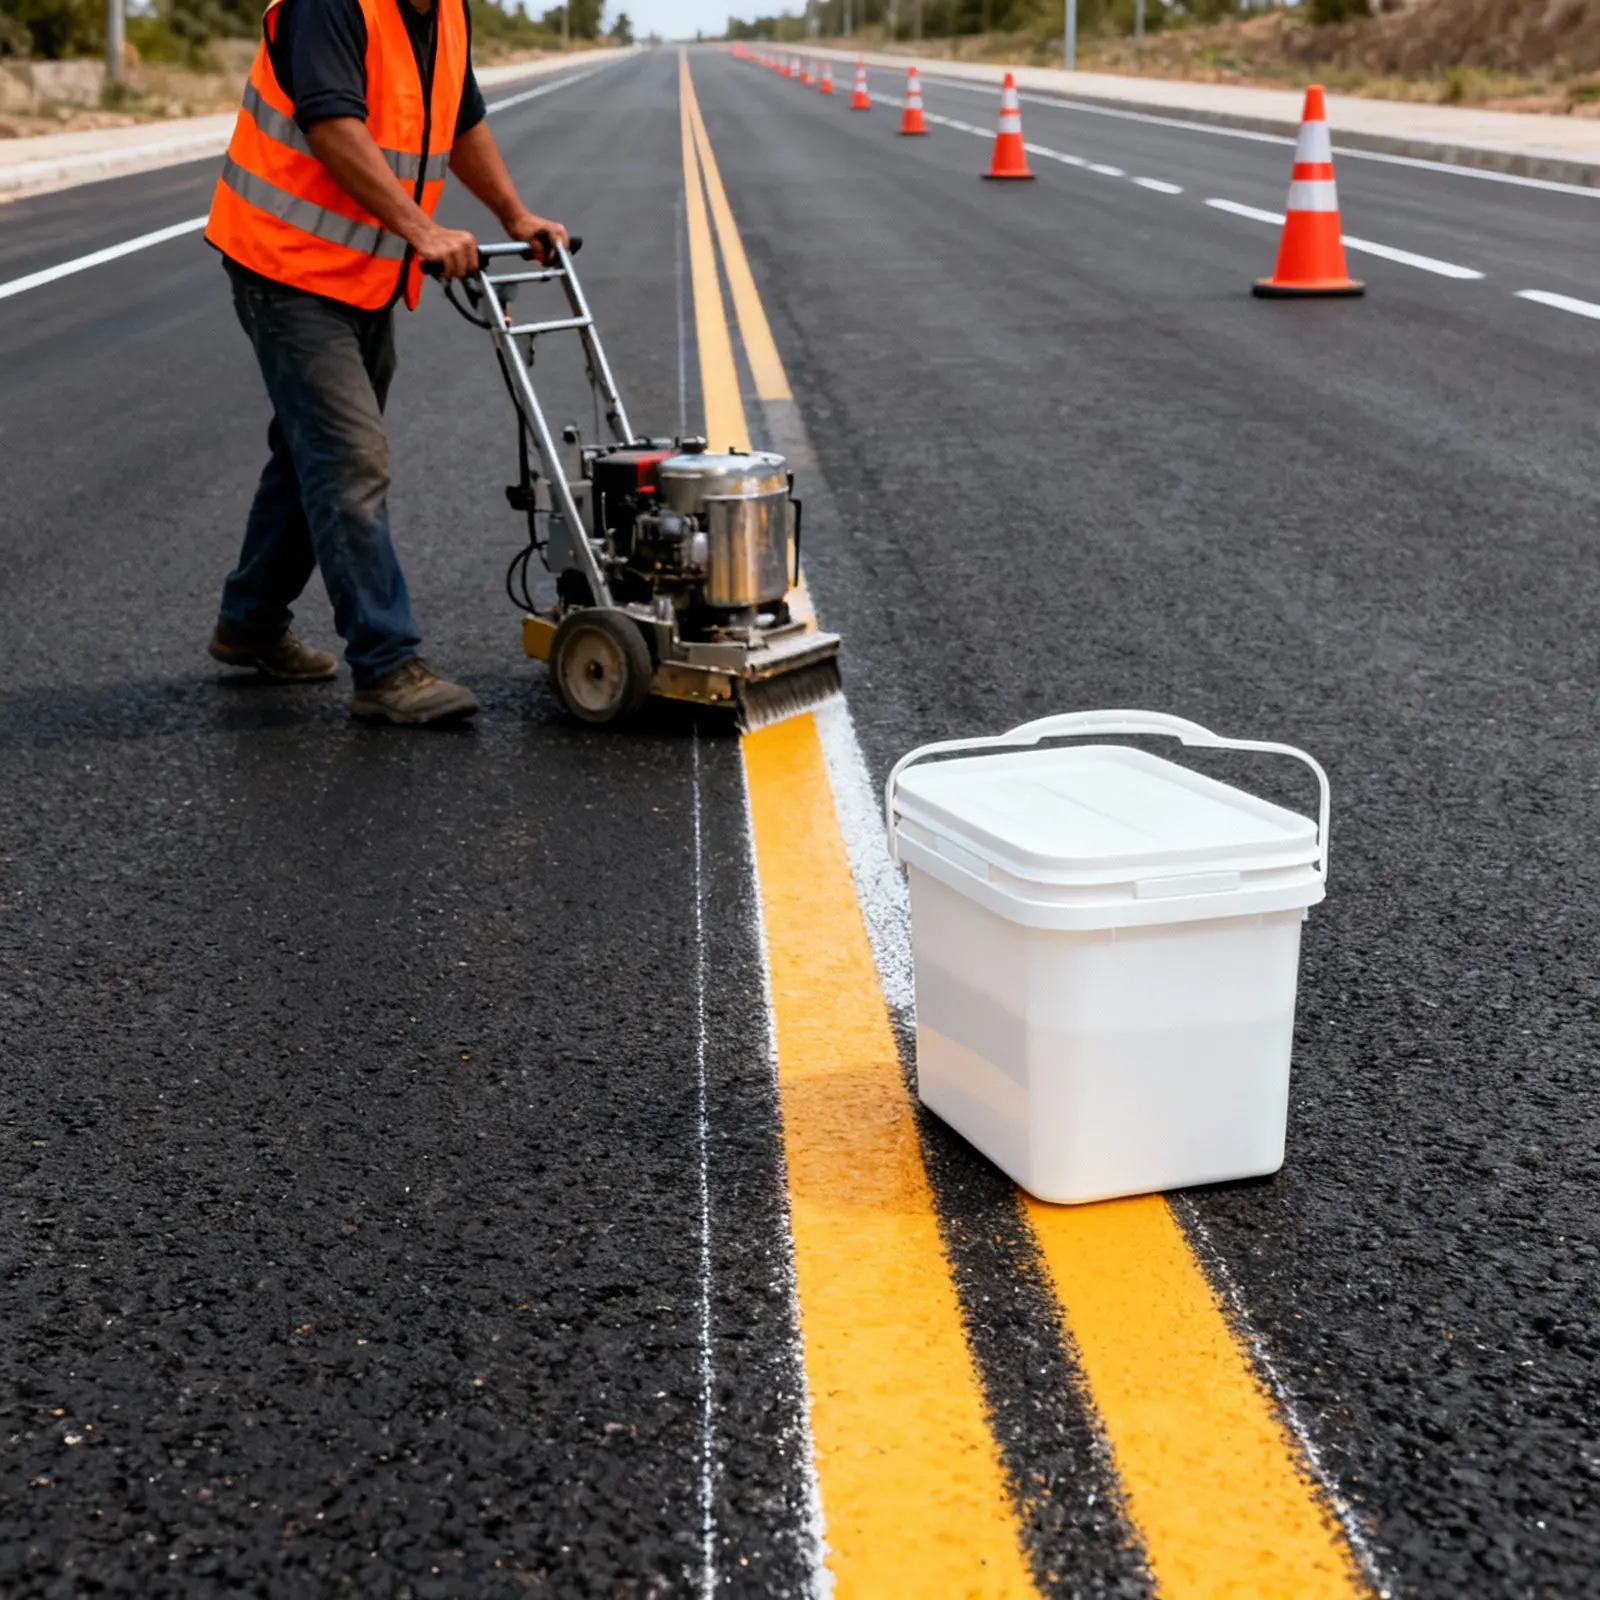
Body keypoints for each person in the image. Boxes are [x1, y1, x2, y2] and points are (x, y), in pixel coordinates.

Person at [204, 0, 569, 724]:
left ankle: (249, 623)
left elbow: (458, 124)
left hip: (362, 273)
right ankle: (387, 665)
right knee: (349, 458)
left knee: (310, 454)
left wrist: (513, 216)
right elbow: (332, 125)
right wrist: (423, 229)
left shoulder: (445, 14)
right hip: (285, 266)